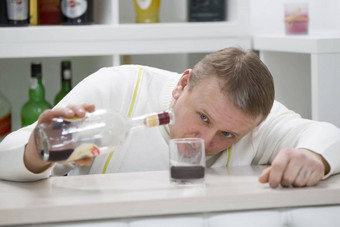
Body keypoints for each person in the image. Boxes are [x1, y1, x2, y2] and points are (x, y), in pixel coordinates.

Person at [0, 47, 339, 188]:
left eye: (228, 136)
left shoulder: (252, 123)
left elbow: (327, 134)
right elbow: (6, 157)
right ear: (181, 85)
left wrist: (313, 156)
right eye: (203, 118)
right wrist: (35, 150)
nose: (205, 144)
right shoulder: (118, 87)